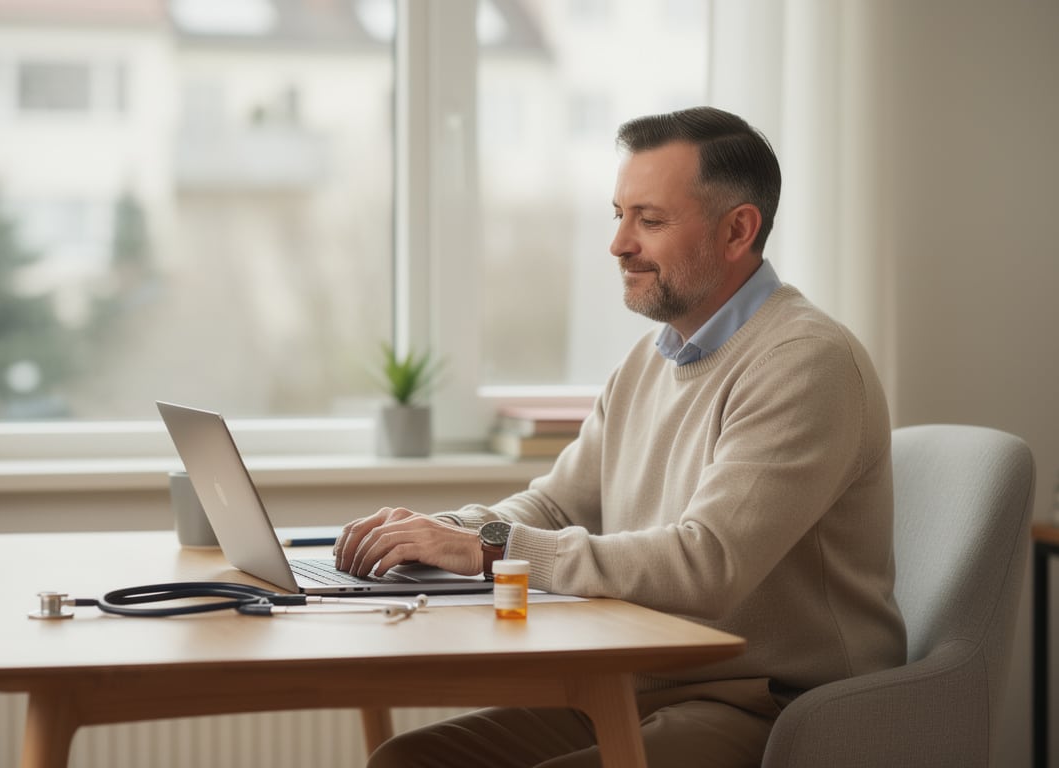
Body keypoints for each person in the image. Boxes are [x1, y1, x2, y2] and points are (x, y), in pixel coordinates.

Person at [334, 106, 906, 768]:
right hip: (635, 686)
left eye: (650, 220)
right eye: (618, 215)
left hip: (768, 707)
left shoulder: (805, 361)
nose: (619, 244)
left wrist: (486, 548)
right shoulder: (649, 360)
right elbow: (555, 506)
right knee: (406, 763)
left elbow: (707, 564)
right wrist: (440, 532)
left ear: (737, 231)